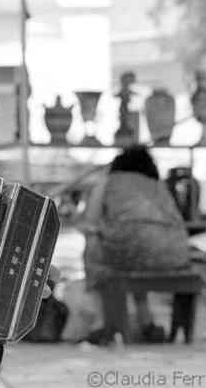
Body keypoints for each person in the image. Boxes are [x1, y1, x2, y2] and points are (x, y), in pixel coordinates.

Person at [81, 145, 190, 343]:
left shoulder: (109, 182)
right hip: (176, 254)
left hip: (130, 251)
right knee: (138, 245)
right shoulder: (158, 185)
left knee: (98, 243)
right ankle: (146, 320)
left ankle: (100, 323)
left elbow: (90, 222)